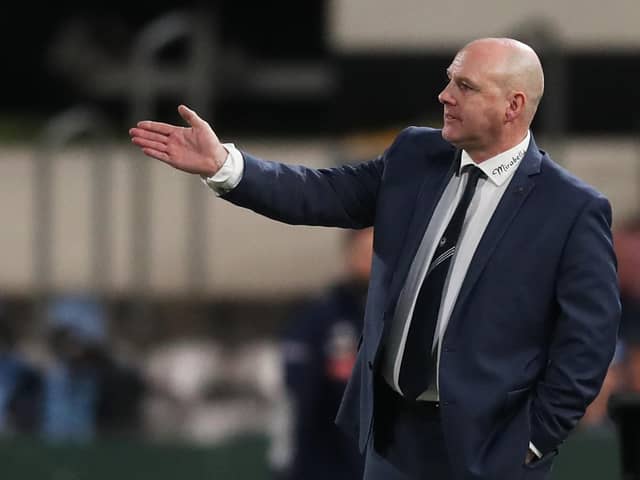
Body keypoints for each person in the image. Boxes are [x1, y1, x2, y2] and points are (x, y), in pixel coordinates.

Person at [129, 37, 620, 479]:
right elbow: (322, 194)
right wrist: (226, 166)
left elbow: (589, 340)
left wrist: (535, 440)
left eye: (465, 86)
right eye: (449, 79)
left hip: (492, 450)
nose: (445, 96)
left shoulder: (571, 208)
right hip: (394, 440)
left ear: (513, 105)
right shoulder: (414, 154)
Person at [272, 227, 372, 480]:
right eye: (365, 252)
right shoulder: (320, 319)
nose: (371, 261)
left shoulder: (406, 318)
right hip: (324, 467)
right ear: (349, 254)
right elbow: (295, 401)